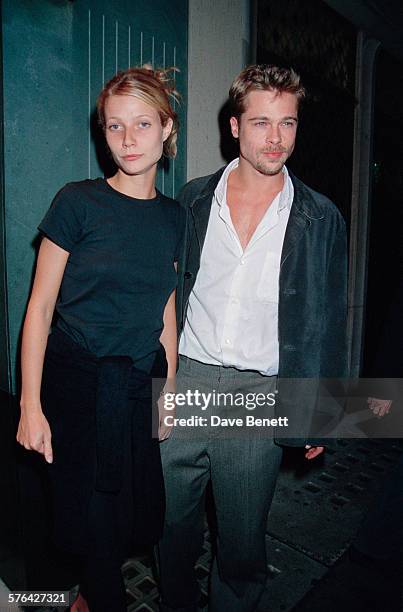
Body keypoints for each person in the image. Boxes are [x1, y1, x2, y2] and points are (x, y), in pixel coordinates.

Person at [158, 64, 348, 612]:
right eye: (262, 122)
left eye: (287, 124)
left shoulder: (319, 217)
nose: (276, 138)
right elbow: (167, 290)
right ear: (235, 126)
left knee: (241, 545)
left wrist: (319, 415)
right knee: (168, 525)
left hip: (259, 394)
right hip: (185, 378)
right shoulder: (194, 199)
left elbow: (325, 321)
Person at [16, 66, 185, 612]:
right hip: (75, 387)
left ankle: (83, 594)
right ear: (102, 133)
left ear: (166, 129)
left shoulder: (174, 218)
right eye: (114, 127)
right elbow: (39, 309)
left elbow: (166, 311)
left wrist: (169, 398)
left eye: (141, 124)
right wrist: (30, 406)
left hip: (136, 389)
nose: (128, 139)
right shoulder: (77, 202)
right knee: (87, 527)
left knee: (124, 522)